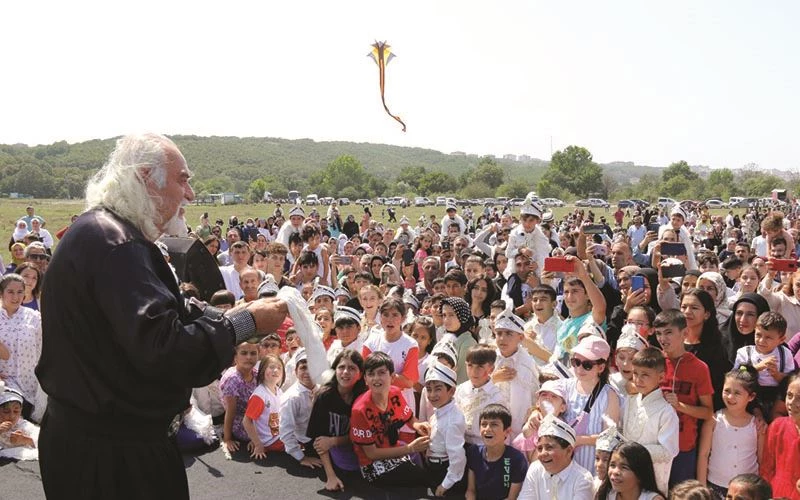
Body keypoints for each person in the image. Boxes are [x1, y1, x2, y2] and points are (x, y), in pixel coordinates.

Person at [36, 134, 288, 499]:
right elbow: (164, 348)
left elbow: (162, 315)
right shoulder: (118, 245)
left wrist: (232, 313)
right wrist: (245, 324)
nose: (189, 194)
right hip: (113, 457)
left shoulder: (103, 232)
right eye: (182, 179)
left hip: (92, 442)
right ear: (144, 178)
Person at [349, 352, 431, 486]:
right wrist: (409, 448)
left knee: (428, 473)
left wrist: (419, 426)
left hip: (395, 451)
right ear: (365, 379)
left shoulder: (395, 393)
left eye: (381, 372)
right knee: (422, 480)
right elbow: (371, 454)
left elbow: (410, 419)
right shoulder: (359, 410)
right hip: (372, 465)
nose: (376, 378)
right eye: (371, 374)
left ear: (392, 377)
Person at [653, 310, 714, 487]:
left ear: (684, 333)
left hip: (683, 449)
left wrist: (680, 406)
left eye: (669, 332)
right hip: (654, 445)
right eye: (658, 333)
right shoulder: (654, 361)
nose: (663, 339)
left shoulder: (699, 368)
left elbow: (708, 412)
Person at [697, 367, 762, 499]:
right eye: (727, 391)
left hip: (746, 490)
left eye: (737, 393)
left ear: (751, 397)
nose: (731, 397)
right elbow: (703, 455)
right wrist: (702, 488)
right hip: (715, 485)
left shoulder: (757, 426)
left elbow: (761, 459)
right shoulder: (714, 420)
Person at [622, 347, 680, 494]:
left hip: (652, 480)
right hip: (625, 475)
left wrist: (634, 450)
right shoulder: (630, 401)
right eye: (635, 373)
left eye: (645, 375)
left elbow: (668, 451)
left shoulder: (666, 411)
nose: (638, 379)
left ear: (661, 377)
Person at [307, 349, 366, 491]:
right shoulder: (324, 397)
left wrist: (334, 441)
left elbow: (362, 436)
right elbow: (319, 440)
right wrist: (331, 476)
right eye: (341, 367)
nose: (345, 372)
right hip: (329, 451)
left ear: (360, 374)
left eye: (352, 368)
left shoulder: (364, 397)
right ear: (335, 371)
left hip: (353, 445)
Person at [733, 311, 796, 421]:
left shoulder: (784, 354)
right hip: (751, 397)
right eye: (758, 335)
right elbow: (738, 372)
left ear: (781, 340)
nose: (761, 340)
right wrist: (757, 368)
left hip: (775, 397)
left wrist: (777, 375)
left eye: (768, 337)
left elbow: (791, 379)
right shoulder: (745, 352)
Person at [518, 413, 594, 500]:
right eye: (539, 448)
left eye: (549, 447)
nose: (543, 453)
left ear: (569, 451)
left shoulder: (583, 479)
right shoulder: (535, 468)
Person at [0, 274, 42, 419]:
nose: (15, 297)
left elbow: (42, 348)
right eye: (10, 292)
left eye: (19, 292)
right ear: (1, 293)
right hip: (4, 386)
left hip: (30, 383)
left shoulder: (34, 317)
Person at [465, 404, 528, 500]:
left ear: (507, 431)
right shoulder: (474, 452)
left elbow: (512, 498)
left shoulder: (516, 459)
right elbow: (471, 490)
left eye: (494, 424)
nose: (487, 429)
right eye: (484, 424)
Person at [423, 361, 467, 497]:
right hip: (434, 468)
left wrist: (445, 484)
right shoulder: (440, 410)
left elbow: (457, 458)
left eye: (438, 389)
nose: (431, 395)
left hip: (445, 472)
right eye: (429, 389)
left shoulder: (452, 420)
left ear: (451, 391)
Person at [759, 369, 800, 499]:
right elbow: (766, 469)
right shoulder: (778, 427)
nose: (792, 403)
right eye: (789, 395)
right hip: (777, 494)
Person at [455, 345, 507, 445]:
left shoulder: (497, 397)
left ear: (491, 369)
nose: (474, 371)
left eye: (480, 366)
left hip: (483, 445)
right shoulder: (460, 390)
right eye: (470, 365)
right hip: (460, 442)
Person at [595, 441, 666, 500]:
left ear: (640, 475)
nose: (615, 472)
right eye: (612, 465)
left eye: (624, 467)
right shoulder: (606, 495)